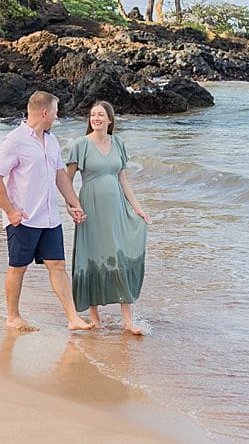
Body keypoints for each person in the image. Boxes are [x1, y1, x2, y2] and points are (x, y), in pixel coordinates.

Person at [0, 90, 94, 332]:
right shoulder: (14, 141)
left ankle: (73, 318)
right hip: (23, 219)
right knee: (18, 267)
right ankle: (13, 316)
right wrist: (11, 211)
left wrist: (74, 204)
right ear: (45, 112)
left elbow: (60, 176)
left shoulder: (52, 140)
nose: (57, 117)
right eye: (56, 112)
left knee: (57, 265)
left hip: (50, 218)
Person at [61, 100, 150, 335]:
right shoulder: (80, 145)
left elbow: (123, 179)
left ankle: (128, 321)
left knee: (119, 256)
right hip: (90, 207)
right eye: (93, 115)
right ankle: (94, 317)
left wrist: (138, 208)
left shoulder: (118, 143)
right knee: (92, 257)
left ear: (110, 120)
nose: (96, 118)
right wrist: (72, 206)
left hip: (116, 208)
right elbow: (65, 181)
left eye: (101, 115)